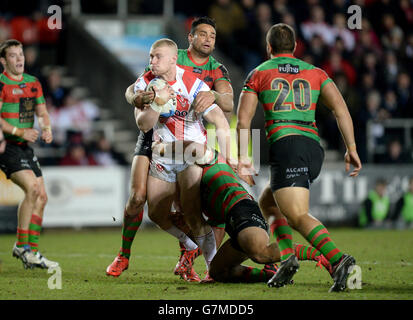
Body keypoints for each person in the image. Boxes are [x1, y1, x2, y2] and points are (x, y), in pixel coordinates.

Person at [236, 24, 362, 292]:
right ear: (295, 48)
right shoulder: (316, 73)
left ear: (269, 48)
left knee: (297, 216)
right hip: (312, 148)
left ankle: (340, 260)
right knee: (268, 201)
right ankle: (287, 257)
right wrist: (351, 147)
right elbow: (341, 109)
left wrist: (243, 157)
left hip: (287, 145)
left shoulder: (259, 73)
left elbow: (243, 120)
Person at [106, 17, 234, 280]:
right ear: (191, 38)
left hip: (188, 154)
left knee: (193, 212)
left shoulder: (204, 76)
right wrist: (153, 102)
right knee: (150, 209)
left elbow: (224, 114)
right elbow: (142, 122)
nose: (152, 61)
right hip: (159, 148)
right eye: (203, 34)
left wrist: (230, 155)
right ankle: (181, 249)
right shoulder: (152, 77)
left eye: (212, 35)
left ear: (173, 60)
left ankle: (212, 267)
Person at [152, 141, 332, 283]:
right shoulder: (193, 185)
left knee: (260, 253)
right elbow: (211, 232)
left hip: (243, 209)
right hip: (233, 221)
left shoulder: (206, 158)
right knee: (218, 272)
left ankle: (322, 256)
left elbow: (194, 147)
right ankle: (269, 274)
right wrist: (189, 233)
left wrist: (161, 147)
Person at [0, 39, 58, 269]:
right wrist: (18, 131)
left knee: (42, 197)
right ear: (3, 61)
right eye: (13, 55)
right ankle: (22, 246)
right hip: (8, 146)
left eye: (21, 54)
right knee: (32, 189)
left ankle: (31, 251)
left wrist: (46, 128)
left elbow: (42, 111)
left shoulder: (33, 83)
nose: (19, 59)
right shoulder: (1, 83)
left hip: (25, 146)